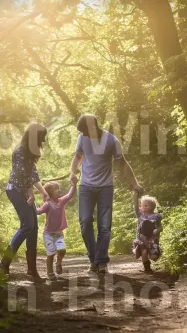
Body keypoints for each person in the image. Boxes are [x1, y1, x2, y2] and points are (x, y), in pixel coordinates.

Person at [70, 114, 143, 274]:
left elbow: (122, 163)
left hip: (105, 188)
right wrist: (72, 172)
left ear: (94, 126)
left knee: (104, 226)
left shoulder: (111, 141)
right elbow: (77, 157)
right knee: (85, 221)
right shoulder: (82, 138)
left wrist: (134, 183)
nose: (85, 135)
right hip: (86, 187)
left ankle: (100, 262)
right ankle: (94, 258)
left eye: (87, 132)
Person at [0, 123, 49, 281]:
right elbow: (22, 175)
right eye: (42, 137)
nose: (44, 141)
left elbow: (33, 174)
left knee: (33, 227)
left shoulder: (30, 152)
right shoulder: (20, 151)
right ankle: (3, 263)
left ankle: (32, 270)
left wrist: (43, 191)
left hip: (25, 191)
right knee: (27, 225)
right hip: (15, 190)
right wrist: (31, 194)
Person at [36, 180, 76, 281]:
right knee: (51, 254)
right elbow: (39, 212)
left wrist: (73, 185)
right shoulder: (48, 204)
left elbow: (70, 195)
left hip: (58, 233)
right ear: (50, 193)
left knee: (62, 250)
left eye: (59, 188)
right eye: (56, 189)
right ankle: (50, 272)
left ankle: (58, 262)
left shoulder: (61, 201)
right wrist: (33, 206)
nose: (60, 190)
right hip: (48, 234)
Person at [132, 194, 162, 273]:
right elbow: (135, 206)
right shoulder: (140, 215)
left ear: (152, 207)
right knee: (144, 252)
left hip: (152, 240)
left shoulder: (156, 216)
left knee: (153, 256)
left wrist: (157, 230)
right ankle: (147, 267)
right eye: (142, 205)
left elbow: (160, 227)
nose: (143, 207)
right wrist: (135, 196)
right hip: (141, 239)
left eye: (146, 205)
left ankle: (150, 260)